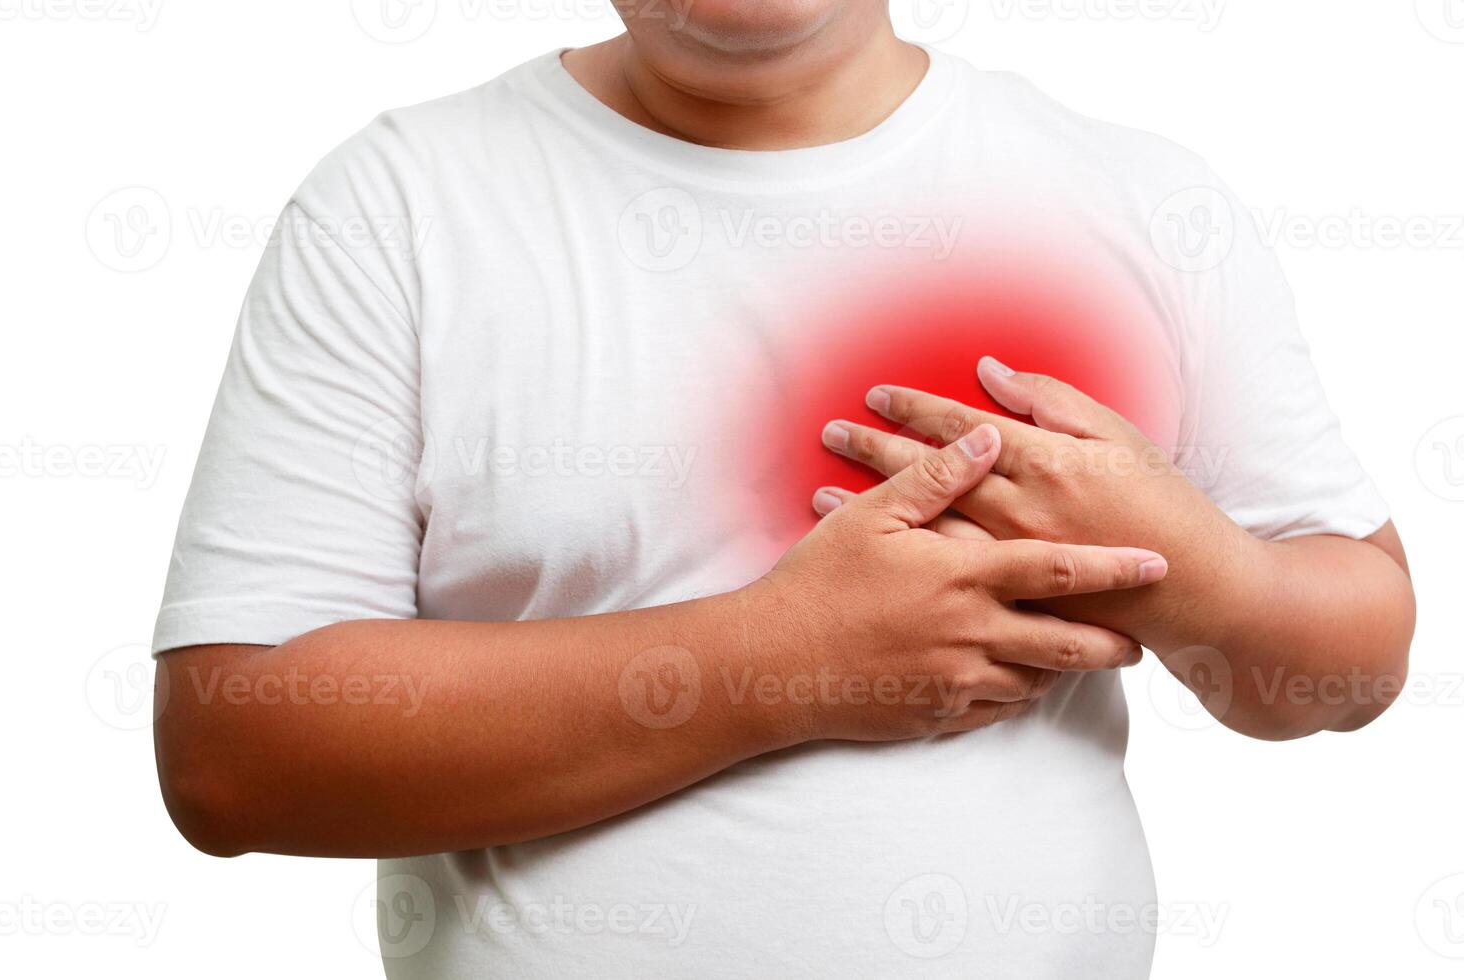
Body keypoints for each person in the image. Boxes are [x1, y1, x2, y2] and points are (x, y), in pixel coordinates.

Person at [151, 3, 1416, 976]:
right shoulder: (397, 210)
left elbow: (1354, 661)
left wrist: (1198, 571)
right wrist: (779, 663)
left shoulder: (1141, 199)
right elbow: (234, 753)